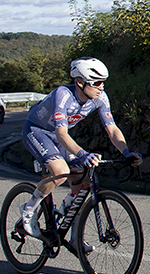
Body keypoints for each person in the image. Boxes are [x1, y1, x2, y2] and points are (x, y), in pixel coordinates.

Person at [17, 57, 142, 238]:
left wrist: (126, 152)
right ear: (80, 82)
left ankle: (75, 236)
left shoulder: (100, 98)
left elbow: (112, 130)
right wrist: (82, 153)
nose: (101, 87)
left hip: (57, 136)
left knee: (84, 183)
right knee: (60, 172)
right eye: (97, 82)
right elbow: (61, 134)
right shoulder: (63, 94)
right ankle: (29, 210)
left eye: (103, 83)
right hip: (37, 131)